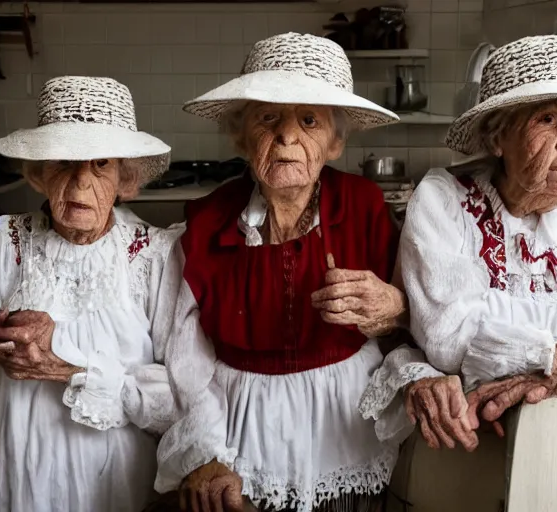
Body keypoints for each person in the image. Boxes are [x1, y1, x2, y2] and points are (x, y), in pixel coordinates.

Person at [151, 32, 412, 512]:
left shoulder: (365, 206)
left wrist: (393, 307)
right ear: (241, 135)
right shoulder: (208, 221)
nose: (287, 136)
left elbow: (418, 322)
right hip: (240, 429)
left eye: (308, 120)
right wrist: (205, 450)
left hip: (345, 424)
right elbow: (185, 355)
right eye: (268, 117)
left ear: (335, 142)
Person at [0, 76, 183, 512]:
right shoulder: (3, 241)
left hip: (112, 478)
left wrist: (67, 364)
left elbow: (174, 398)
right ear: (40, 172)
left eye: (100, 163)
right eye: (64, 161)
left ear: (125, 177)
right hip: (14, 468)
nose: (80, 181)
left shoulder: (152, 255)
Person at [362, 34, 557, 453]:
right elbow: (450, 335)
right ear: (496, 137)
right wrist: (556, 357)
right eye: (548, 119)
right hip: (475, 445)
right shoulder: (445, 200)